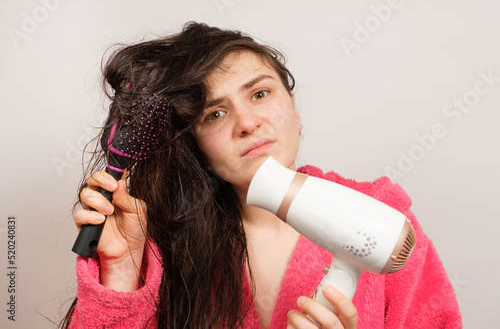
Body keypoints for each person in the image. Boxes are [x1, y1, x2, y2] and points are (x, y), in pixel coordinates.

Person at [62, 22, 462, 328]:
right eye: (215, 113)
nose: (247, 123)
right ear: (197, 148)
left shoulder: (386, 219)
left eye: (259, 93)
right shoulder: (161, 242)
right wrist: (120, 268)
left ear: (294, 108)